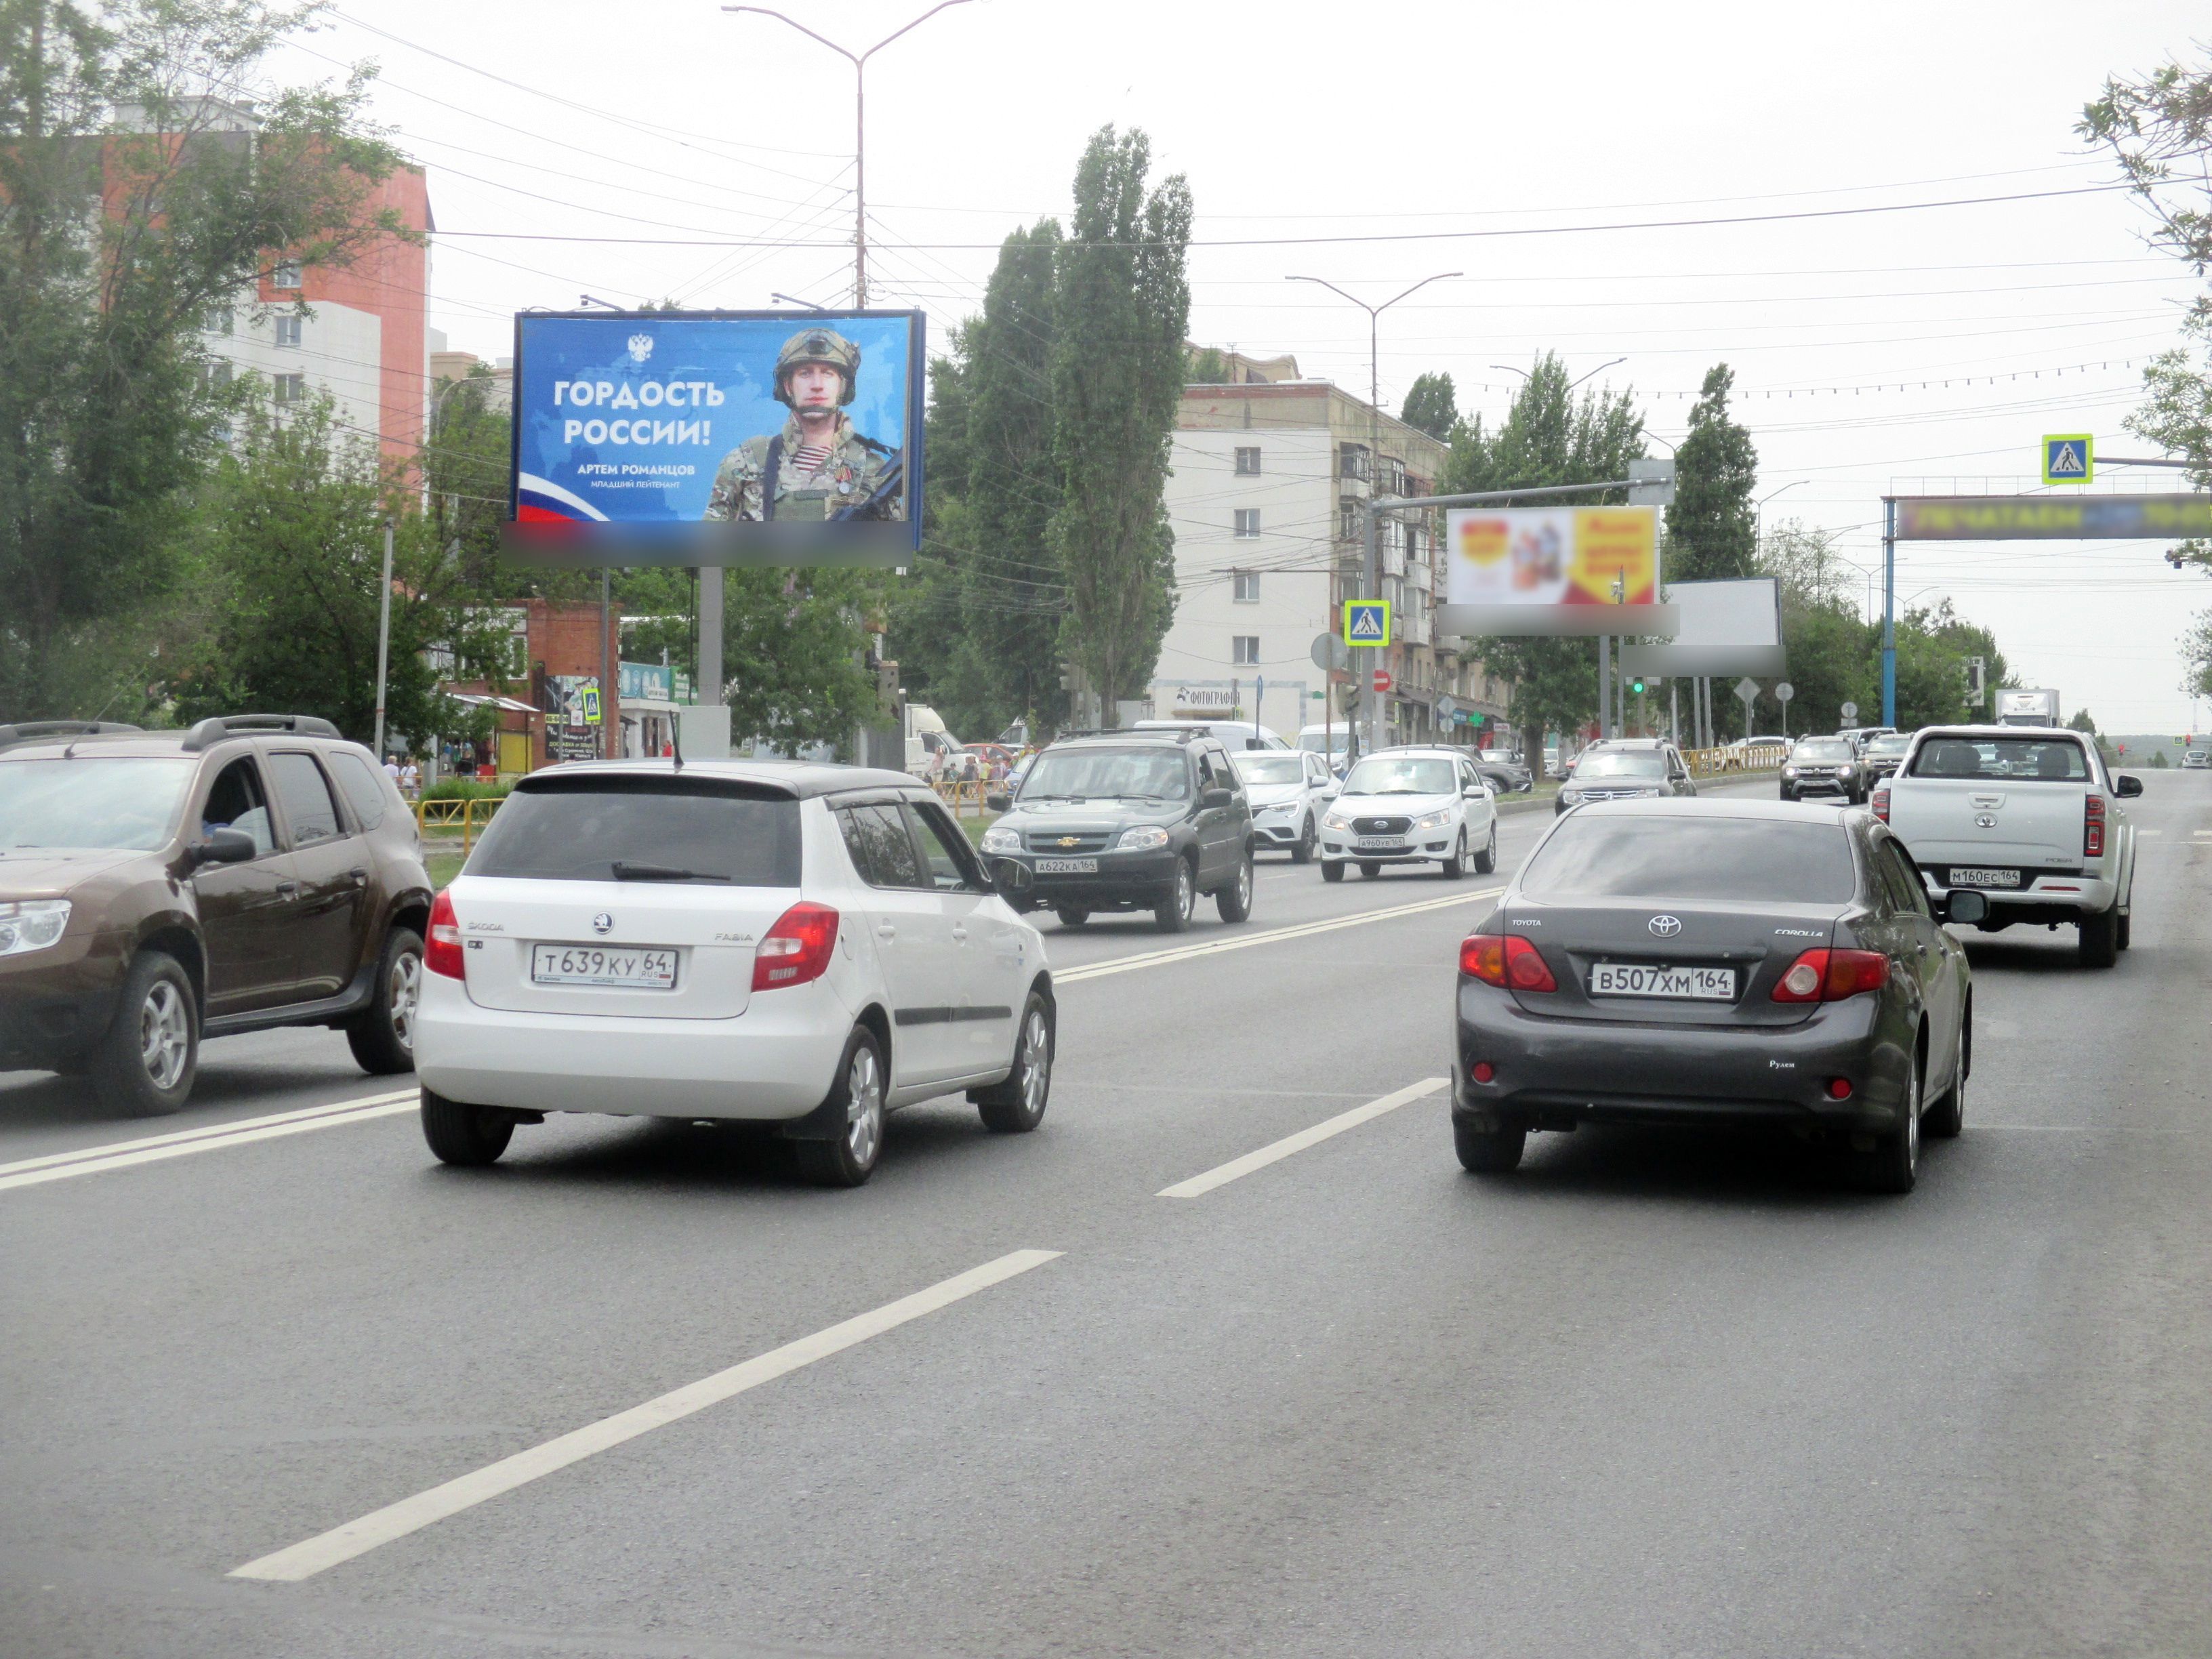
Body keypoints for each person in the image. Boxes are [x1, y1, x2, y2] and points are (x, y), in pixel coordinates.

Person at [703, 329, 903, 525]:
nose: (817, 384)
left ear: (842, 386)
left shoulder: (874, 472)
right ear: (788, 386)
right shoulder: (746, 463)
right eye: (805, 373)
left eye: (828, 373)